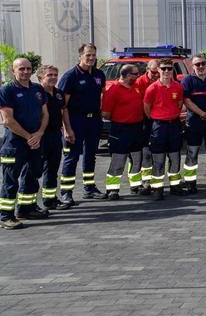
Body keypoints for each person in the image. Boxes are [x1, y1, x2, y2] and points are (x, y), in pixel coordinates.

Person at [0, 58, 49, 229]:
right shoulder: (7, 90)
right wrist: (29, 137)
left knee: (33, 175)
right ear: (14, 71)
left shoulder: (37, 89)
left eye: (28, 69)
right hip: (15, 144)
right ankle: (6, 216)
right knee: (11, 180)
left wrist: (40, 133)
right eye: (21, 69)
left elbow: (45, 114)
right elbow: (8, 120)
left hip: (35, 141)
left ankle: (26, 209)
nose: (26, 72)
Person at [58, 43, 107, 203]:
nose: (91, 58)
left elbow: (100, 96)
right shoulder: (70, 76)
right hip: (75, 120)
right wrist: (66, 128)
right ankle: (66, 192)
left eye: (93, 55)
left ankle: (89, 188)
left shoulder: (99, 74)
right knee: (71, 157)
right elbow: (62, 106)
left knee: (91, 155)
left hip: (93, 120)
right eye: (88, 55)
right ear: (80, 56)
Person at [100, 64, 146, 200]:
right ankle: (112, 189)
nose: (138, 76)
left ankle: (136, 185)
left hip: (136, 128)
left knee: (137, 159)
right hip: (120, 129)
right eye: (135, 74)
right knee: (118, 160)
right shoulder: (113, 89)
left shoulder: (136, 87)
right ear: (126, 75)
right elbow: (106, 113)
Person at [143, 59, 185, 200]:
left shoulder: (178, 87)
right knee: (158, 159)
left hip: (174, 125)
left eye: (169, 68)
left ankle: (175, 186)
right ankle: (157, 188)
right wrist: (158, 118)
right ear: (158, 70)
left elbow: (179, 105)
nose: (166, 71)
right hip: (159, 126)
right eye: (163, 69)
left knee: (175, 157)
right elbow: (147, 109)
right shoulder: (152, 88)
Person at [181, 54, 206, 193]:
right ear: (192, 66)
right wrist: (202, 113)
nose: (201, 66)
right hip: (194, 121)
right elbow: (187, 101)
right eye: (197, 64)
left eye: (203, 63)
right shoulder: (187, 80)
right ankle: (190, 182)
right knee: (192, 152)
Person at [36, 65, 68, 210]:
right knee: (35, 170)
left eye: (55, 74)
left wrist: (68, 129)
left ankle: (50, 200)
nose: (54, 77)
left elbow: (63, 111)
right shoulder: (36, 93)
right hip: (41, 136)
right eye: (50, 75)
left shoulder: (59, 93)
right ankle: (28, 204)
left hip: (55, 134)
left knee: (52, 169)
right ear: (41, 77)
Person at [133, 59, 160, 193]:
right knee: (143, 152)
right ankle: (141, 181)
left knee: (156, 151)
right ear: (147, 70)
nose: (156, 75)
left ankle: (151, 179)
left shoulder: (162, 81)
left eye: (158, 72)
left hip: (158, 120)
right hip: (143, 120)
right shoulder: (139, 82)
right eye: (154, 72)